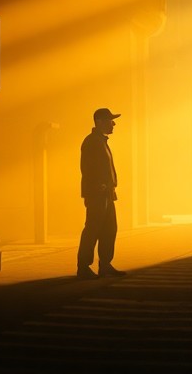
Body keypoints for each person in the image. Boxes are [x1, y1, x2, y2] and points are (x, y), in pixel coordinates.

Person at [76, 107, 126, 279]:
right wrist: (98, 186)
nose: (113, 124)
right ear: (99, 121)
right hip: (97, 194)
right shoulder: (92, 142)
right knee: (92, 229)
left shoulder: (100, 141)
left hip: (106, 193)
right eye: (110, 120)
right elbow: (87, 168)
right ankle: (83, 267)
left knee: (109, 229)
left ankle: (105, 265)